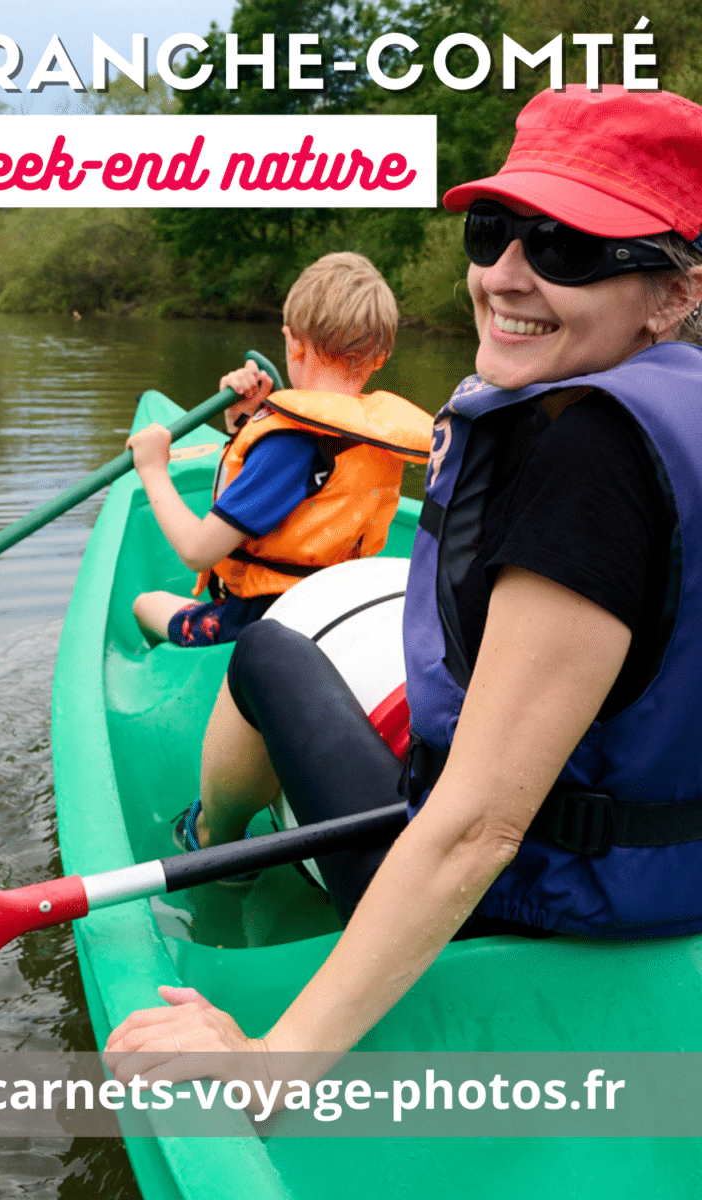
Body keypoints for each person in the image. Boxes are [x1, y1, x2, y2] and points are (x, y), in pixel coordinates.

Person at [106, 85, 702, 1068]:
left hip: (533, 914)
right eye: (493, 230)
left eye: (566, 248)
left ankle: (208, 854)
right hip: (661, 883)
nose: (505, 276)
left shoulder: (589, 455)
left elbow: (475, 830)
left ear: (674, 289)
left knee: (267, 654)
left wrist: (275, 1059)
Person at [126, 252, 432, 648]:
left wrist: (152, 468)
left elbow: (197, 552)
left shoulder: (290, 446)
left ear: (294, 344)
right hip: (332, 608)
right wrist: (243, 422)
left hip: (262, 623)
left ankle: (179, 668)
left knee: (145, 604)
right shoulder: (371, 433)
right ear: (380, 357)